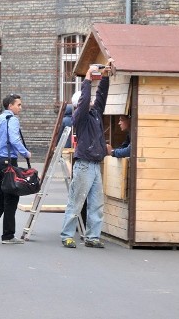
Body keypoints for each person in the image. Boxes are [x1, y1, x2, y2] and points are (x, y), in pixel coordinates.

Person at [61, 63, 111, 248]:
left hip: (95, 165)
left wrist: (104, 77)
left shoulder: (95, 113)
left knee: (96, 204)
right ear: (78, 104)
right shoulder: (79, 117)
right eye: (85, 100)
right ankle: (67, 235)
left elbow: (101, 98)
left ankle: (92, 237)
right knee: (76, 201)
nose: (91, 102)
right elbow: (86, 99)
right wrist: (88, 78)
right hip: (83, 165)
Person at [0, 93, 31, 245]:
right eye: (18, 105)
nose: (20, 108)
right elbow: (14, 139)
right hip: (8, 163)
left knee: (0, 197)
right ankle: (8, 236)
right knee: (11, 198)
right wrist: (25, 153)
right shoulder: (12, 120)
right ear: (10, 106)